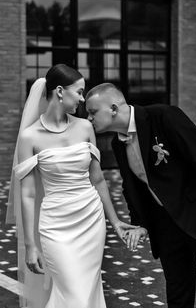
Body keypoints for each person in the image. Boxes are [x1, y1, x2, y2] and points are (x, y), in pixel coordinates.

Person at [85, 82, 196, 308]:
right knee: (178, 294)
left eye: (92, 112)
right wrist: (140, 224)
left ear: (113, 108)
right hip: (165, 225)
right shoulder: (118, 143)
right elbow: (132, 187)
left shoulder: (165, 116)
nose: (88, 118)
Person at [6, 65, 136, 308]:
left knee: (86, 293)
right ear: (59, 91)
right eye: (79, 92)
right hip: (55, 226)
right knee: (73, 294)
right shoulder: (29, 137)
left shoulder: (86, 128)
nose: (82, 99)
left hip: (90, 221)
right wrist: (30, 247)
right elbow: (28, 193)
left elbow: (97, 179)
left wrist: (115, 221)